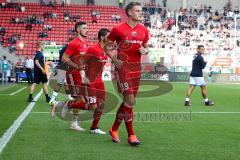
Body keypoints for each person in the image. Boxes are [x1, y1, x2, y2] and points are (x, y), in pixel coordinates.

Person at [105, 2, 149, 146]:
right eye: (137, 11)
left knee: (128, 103)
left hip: (136, 69)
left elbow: (145, 46)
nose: (140, 13)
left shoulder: (144, 30)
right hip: (122, 68)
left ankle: (114, 129)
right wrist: (114, 58)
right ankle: (131, 135)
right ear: (129, 12)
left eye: (141, 11)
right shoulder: (118, 29)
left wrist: (145, 50)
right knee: (130, 101)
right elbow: (107, 44)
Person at [51, 22, 89, 131]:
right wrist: (77, 66)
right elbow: (64, 58)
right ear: (78, 30)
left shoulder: (85, 43)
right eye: (84, 28)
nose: (87, 30)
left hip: (81, 75)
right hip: (72, 74)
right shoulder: (74, 43)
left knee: (81, 99)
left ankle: (61, 105)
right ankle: (74, 123)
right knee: (80, 99)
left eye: (87, 28)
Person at [49, 38, 74, 104]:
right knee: (59, 83)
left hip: (63, 67)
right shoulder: (67, 48)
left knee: (66, 84)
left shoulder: (65, 47)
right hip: (63, 67)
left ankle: (69, 97)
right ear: (70, 41)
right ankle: (52, 99)